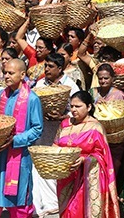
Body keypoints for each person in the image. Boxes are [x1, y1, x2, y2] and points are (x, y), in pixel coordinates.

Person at [0, 59, 44, 218]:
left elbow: (37, 128)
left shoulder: (32, 99)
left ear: (22, 75)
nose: (6, 76)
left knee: (18, 200)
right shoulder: (1, 95)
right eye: (5, 72)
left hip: (18, 157)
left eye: (11, 73)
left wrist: (15, 140)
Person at [54, 91, 120, 218]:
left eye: (78, 106)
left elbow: (103, 155)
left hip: (88, 177)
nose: (73, 110)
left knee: (79, 210)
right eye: (71, 106)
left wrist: (84, 159)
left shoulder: (96, 127)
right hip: (66, 176)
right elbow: (56, 144)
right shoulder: (65, 124)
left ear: (89, 107)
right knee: (67, 210)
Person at [32, 53, 80, 217]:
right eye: (46, 66)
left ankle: (54, 202)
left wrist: (63, 117)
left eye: (51, 67)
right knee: (40, 164)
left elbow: (77, 111)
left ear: (60, 68)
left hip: (62, 131)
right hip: (43, 130)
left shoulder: (71, 86)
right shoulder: (40, 84)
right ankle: (38, 204)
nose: (47, 69)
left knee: (55, 163)